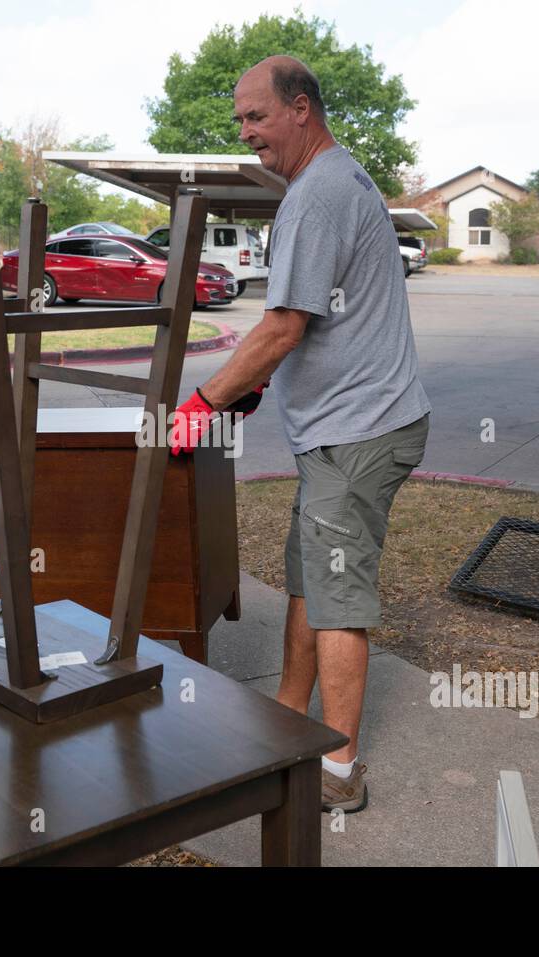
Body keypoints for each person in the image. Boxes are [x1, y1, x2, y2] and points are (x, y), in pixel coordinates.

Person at [170, 55, 431, 814]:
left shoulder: (317, 195)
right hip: (341, 429)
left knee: (337, 595)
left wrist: (204, 402)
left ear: (302, 108)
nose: (247, 133)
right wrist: (247, 387)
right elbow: (305, 326)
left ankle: (340, 768)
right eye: (241, 120)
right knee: (307, 576)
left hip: (359, 431)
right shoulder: (336, 178)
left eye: (257, 117)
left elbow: (283, 326)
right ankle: (286, 716)